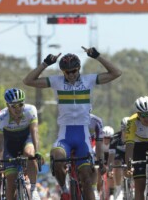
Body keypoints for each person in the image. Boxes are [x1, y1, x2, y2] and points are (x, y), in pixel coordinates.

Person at [23, 47, 122, 200]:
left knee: (87, 179)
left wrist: (97, 56)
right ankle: (64, 189)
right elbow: (28, 81)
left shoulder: (88, 80)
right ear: (63, 72)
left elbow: (116, 73)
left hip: (82, 135)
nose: (71, 74)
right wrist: (45, 63)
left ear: (79, 69)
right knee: (56, 156)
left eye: (74, 71)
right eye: (67, 72)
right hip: (65, 134)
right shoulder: (57, 81)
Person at [0, 88, 41, 200]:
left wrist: (38, 152)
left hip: (26, 140)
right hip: (9, 147)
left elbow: (34, 132)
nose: (18, 108)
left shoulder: (31, 110)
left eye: (20, 105)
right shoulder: (0, 118)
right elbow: (0, 143)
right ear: (7, 105)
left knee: (30, 154)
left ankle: (34, 189)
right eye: (13, 106)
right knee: (10, 184)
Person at [107, 117, 129, 200]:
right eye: (125, 130)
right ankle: (119, 189)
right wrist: (109, 169)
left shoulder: (135, 136)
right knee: (116, 163)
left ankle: (133, 186)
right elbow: (111, 156)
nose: (126, 133)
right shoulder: (115, 138)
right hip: (119, 154)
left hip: (130, 153)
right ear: (121, 129)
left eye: (128, 130)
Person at [89, 113, 105, 200]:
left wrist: (100, 161)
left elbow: (99, 145)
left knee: (94, 163)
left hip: (92, 146)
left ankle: (94, 189)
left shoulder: (95, 121)